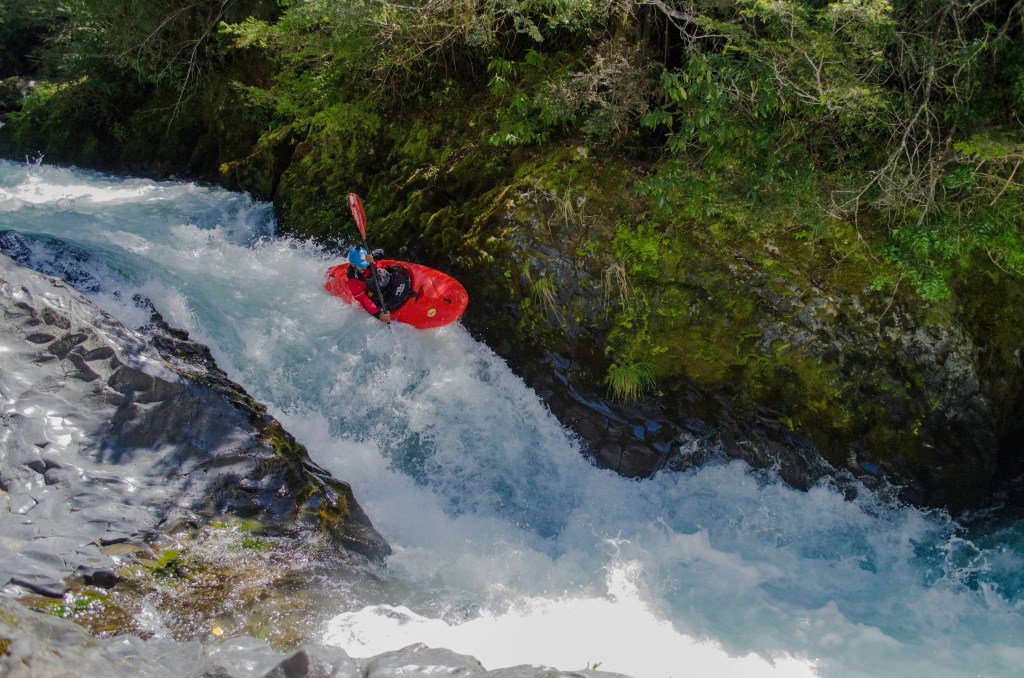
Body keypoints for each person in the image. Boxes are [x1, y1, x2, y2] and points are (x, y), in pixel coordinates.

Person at [346, 246, 393, 322]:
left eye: (365, 264)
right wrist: (379, 314)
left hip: (387, 282)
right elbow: (364, 301)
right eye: (361, 265)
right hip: (375, 295)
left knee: (381, 273)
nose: (364, 267)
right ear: (352, 264)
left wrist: (373, 254)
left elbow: (381, 252)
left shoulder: (368, 259)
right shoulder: (353, 282)